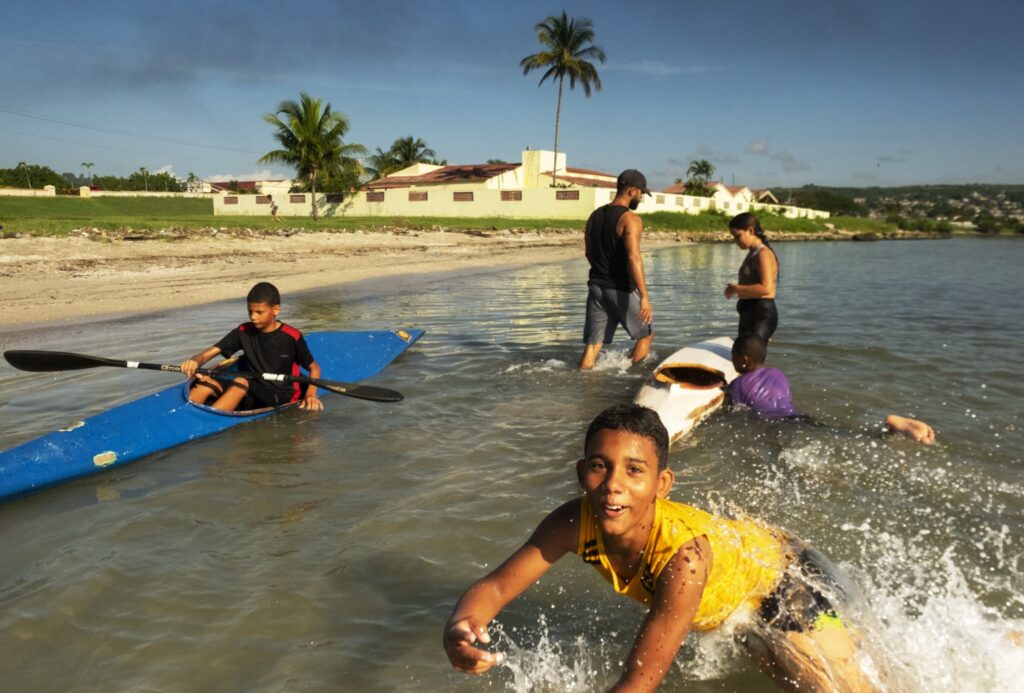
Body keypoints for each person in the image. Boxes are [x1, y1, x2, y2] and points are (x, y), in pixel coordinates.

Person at [444, 404, 881, 691]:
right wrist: (461, 626)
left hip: (787, 580)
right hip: (740, 602)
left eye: (634, 470)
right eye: (600, 466)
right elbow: (496, 589)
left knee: (834, 687)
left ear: (662, 484)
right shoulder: (573, 522)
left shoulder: (683, 559)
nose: (613, 484)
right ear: (582, 474)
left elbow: (638, 681)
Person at [728, 334, 935, 443]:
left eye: (734, 358)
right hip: (797, 416)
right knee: (837, 431)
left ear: (744, 360)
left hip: (777, 424)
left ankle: (806, 475)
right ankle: (889, 430)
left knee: (777, 451)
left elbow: (736, 411)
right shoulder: (778, 374)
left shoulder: (738, 384)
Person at [180, 281, 323, 412]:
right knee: (205, 381)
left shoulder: (292, 336)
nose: (253, 317)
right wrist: (195, 361)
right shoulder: (243, 332)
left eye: (259, 312)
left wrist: (311, 394)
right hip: (251, 387)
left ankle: (207, 421)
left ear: (276, 310)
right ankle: (183, 419)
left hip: (281, 395)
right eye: (250, 311)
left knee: (241, 382)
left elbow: (314, 368)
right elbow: (205, 355)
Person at [580, 169, 655, 370]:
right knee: (646, 335)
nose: (641, 198)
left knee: (593, 346)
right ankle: (634, 379)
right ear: (632, 191)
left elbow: (589, 253)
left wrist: (602, 273)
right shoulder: (631, 219)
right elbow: (634, 258)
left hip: (596, 287)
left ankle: (583, 381)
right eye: (641, 193)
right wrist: (645, 296)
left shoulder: (594, 215)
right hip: (621, 287)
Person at [724, 213, 779, 343]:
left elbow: (766, 288)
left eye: (738, 236)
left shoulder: (763, 254)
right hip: (750, 314)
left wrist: (736, 289)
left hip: (760, 314)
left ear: (750, 230)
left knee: (751, 358)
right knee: (744, 356)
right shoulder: (753, 253)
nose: (736, 241)